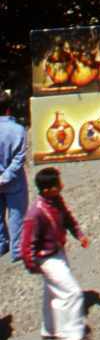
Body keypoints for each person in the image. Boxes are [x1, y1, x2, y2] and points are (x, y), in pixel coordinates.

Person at [20, 168, 91, 340]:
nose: (62, 186)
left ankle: (51, 328)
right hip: (47, 260)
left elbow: (67, 218)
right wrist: (33, 266)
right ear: (47, 190)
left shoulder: (56, 200)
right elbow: (27, 245)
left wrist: (79, 234)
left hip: (58, 251)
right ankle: (71, 336)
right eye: (57, 185)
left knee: (52, 292)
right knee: (72, 293)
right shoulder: (35, 214)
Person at [0, 91, 28, 265]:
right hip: (13, 179)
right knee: (16, 213)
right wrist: (6, 175)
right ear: (9, 110)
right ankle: (17, 249)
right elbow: (19, 157)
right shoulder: (18, 130)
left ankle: (1, 244)